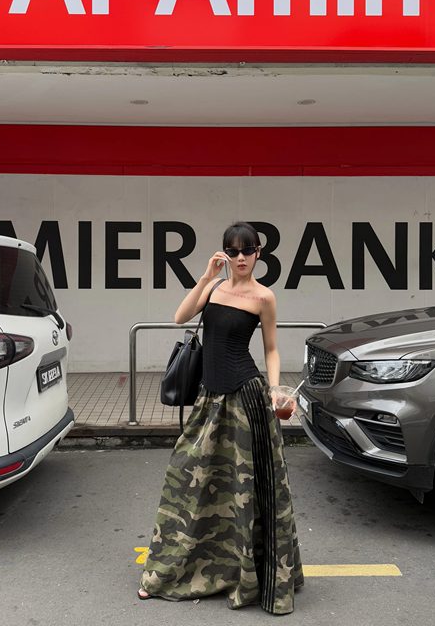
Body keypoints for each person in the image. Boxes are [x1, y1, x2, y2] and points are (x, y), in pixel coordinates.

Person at [138, 221, 303, 615]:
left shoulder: (264, 297)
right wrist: (205, 276)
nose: (240, 257)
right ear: (224, 254)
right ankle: (169, 571)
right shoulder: (213, 288)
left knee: (243, 491)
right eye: (233, 251)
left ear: (258, 253)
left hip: (246, 399)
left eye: (247, 250)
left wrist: (275, 389)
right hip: (209, 399)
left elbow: (271, 349)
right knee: (185, 480)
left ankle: (243, 574)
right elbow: (180, 317)